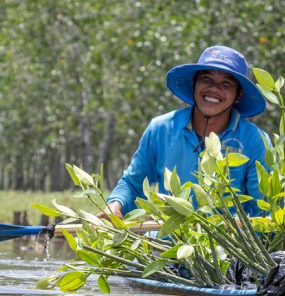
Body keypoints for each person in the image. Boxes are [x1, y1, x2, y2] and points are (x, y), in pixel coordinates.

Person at [101, 45, 269, 218]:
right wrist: (115, 205)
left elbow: (263, 210)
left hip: (231, 242)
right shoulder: (161, 129)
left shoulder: (255, 140)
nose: (213, 88)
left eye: (226, 83)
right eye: (206, 79)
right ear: (194, 84)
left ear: (239, 94)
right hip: (168, 242)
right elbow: (132, 184)